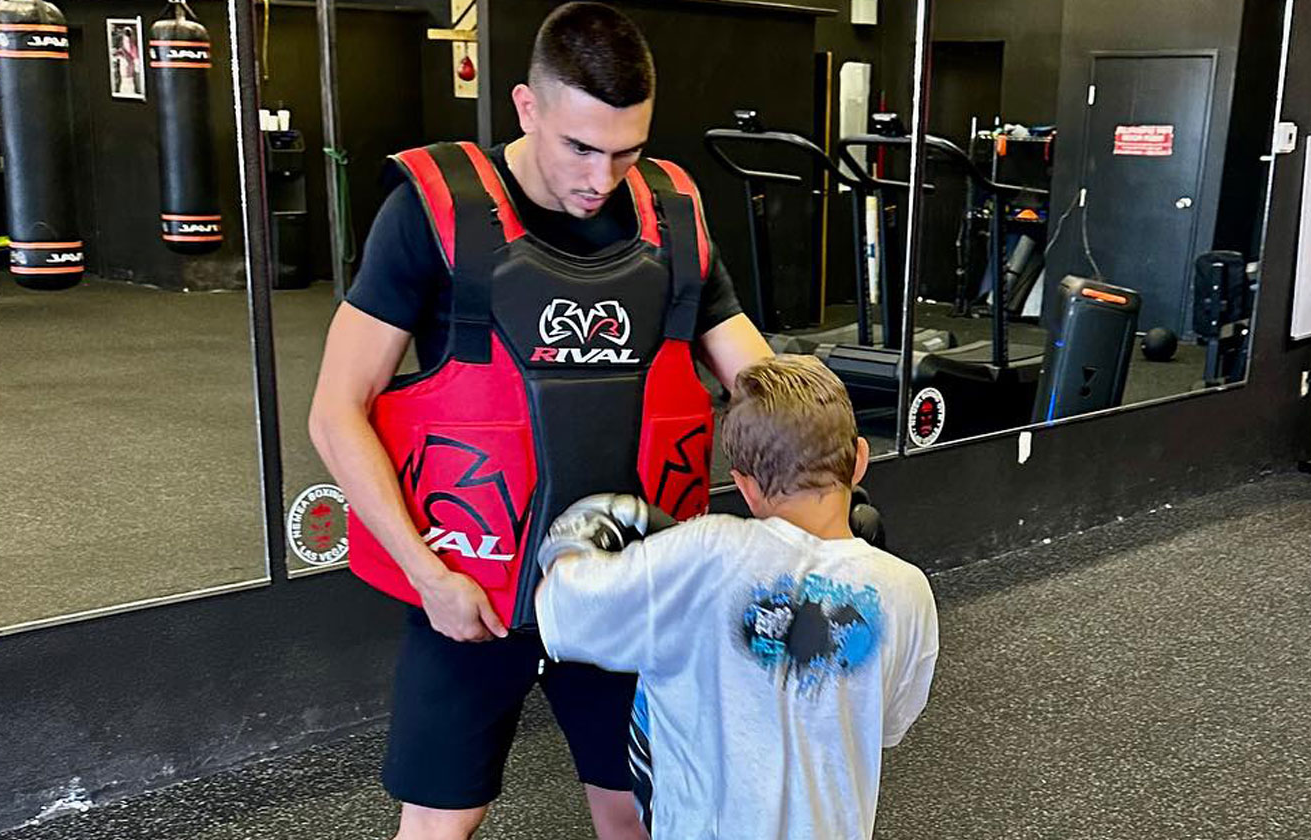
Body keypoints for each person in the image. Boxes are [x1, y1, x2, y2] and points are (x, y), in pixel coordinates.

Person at [306, 3, 772, 838]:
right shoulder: (431, 211)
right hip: (472, 594)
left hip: (632, 589)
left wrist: (825, 485)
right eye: (580, 148)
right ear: (525, 107)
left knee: (638, 817)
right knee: (440, 826)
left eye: (626, 152)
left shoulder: (671, 216)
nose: (601, 178)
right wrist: (426, 577)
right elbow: (336, 412)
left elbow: (764, 385)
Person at [535, 356, 941, 839]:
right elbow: (888, 726)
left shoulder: (707, 552)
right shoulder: (908, 589)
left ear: (744, 485)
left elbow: (561, 611)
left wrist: (576, 540)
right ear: (858, 458)